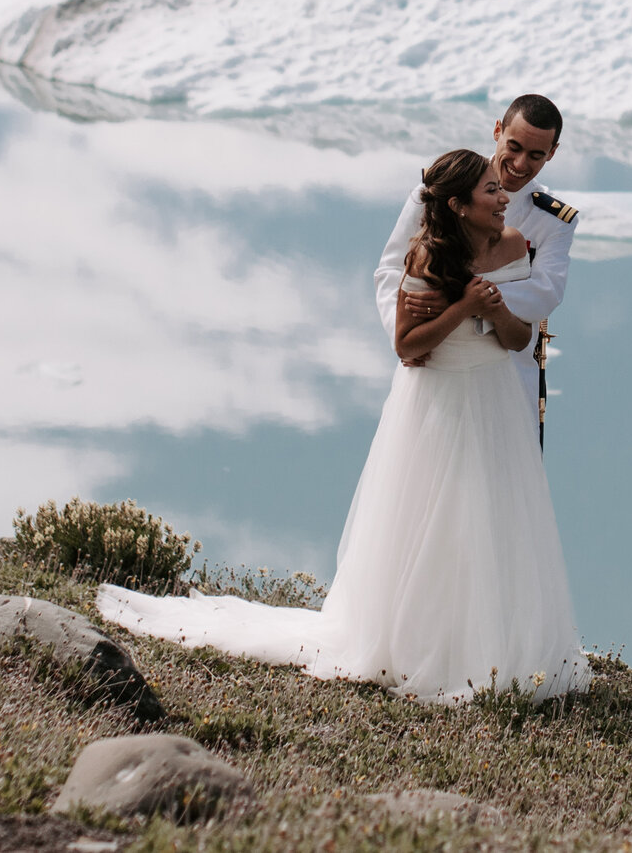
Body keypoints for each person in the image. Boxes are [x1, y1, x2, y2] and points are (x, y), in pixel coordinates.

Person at [100, 144, 590, 704]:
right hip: (436, 400)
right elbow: (408, 347)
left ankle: (499, 647)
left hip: (495, 396)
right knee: (428, 518)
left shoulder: (511, 245)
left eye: (502, 189)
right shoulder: (428, 257)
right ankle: (417, 644)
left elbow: (519, 337)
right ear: (458, 205)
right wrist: (462, 308)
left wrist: (498, 309)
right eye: (491, 191)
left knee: (493, 519)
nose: (505, 196)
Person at [372, 94, 576, 428]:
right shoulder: (439, 186)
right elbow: (392, 267)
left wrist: (460, 298)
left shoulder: (553, 219)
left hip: (508, 372)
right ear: (497, 130)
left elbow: (545, 292)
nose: (521, 163)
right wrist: (405, 333)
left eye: (536, 155)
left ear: (552, 153)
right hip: (433, 362)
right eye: (514, 147)